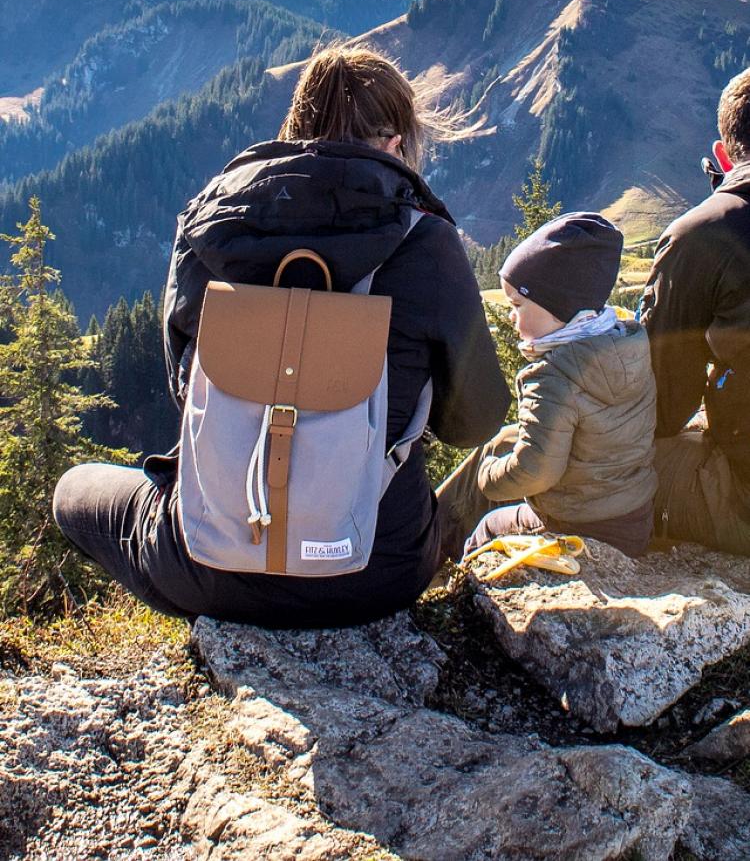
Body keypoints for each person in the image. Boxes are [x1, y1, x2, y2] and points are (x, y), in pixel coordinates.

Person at [53, 46, 509, 626]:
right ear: (395, 143)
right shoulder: (427, 244)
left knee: (75, 490)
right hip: (374, 570)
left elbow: (185, 389)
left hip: (207, 566)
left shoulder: (210, 225)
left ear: (296, 128)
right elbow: (474, 420)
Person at [437, 212, 657, 560]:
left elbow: (535, 471)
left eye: (518, 305)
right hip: (633, 519)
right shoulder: (627, 346)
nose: (511, 316)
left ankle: (453, 588)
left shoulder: (553, 375)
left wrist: (487, 478)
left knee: (490, 526)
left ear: (558, 309)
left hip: (578, 526)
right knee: (501, 442)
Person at [640, 66, 750, 555]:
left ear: (724, 154)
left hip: (742, 501)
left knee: (514, 460)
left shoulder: (705, 233)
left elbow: (663, 406)